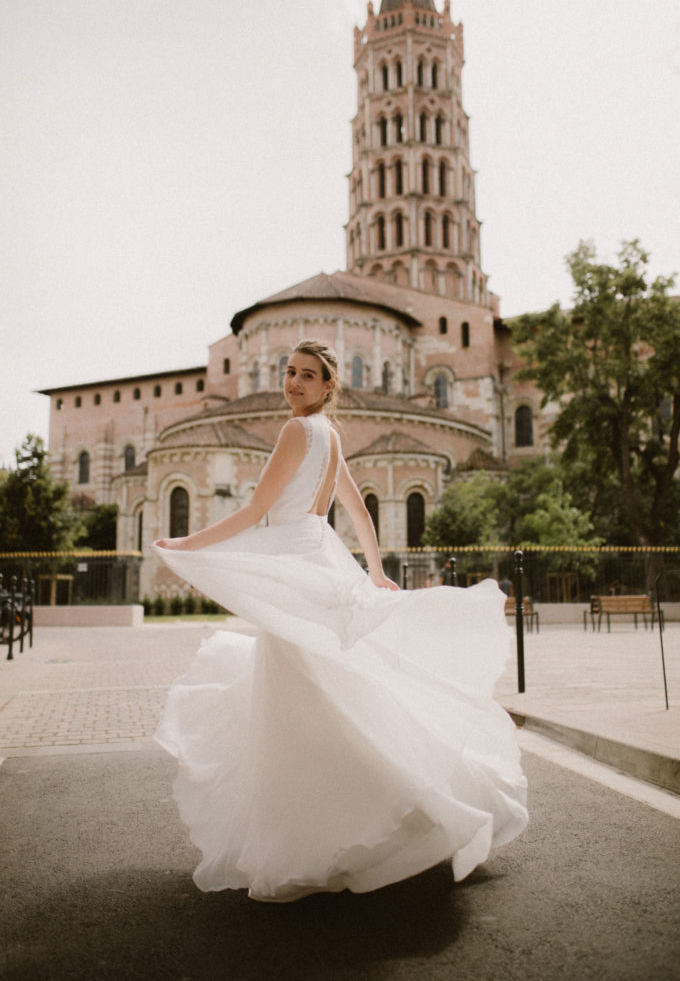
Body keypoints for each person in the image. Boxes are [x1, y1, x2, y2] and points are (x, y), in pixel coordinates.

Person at [152, 340, 528, 903]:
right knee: (330, 685)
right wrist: (373, 570)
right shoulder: (330, 435)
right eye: (289, 372)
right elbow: (355, 508)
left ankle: (324, 829)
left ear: (330, 385)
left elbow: (256, 512)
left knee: (303, 691)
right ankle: (387, 810)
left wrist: (184, 542)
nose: (294, 383)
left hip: (298, 566)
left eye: (308, 376)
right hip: (320, 557)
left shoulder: (297, 432)